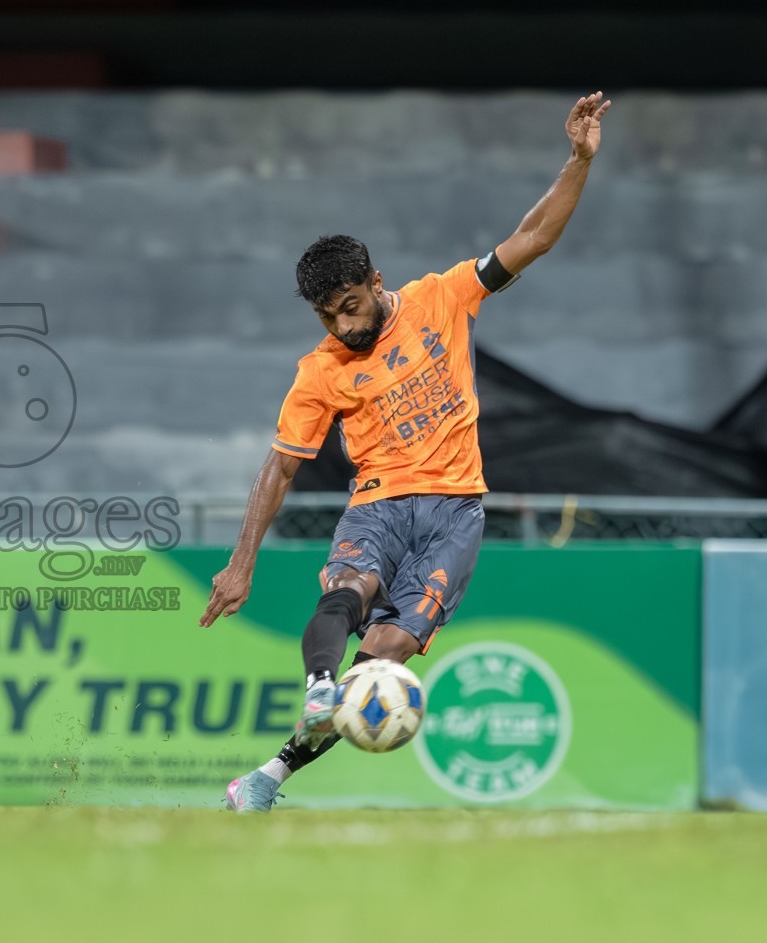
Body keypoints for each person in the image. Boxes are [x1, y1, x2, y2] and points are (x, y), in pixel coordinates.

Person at [200, 93, 611, 812]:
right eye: (327, 315)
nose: (342, 324)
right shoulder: (320, 369)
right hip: (380, 501)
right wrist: (241, 562)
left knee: (385, 655)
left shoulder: (443, 299)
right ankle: (320, 687)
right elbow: (283, 463)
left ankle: (268, 776)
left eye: (350, 306)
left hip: (456, 513)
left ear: (376, 282)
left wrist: (576, 161)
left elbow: (534, 236)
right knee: (348, 593)